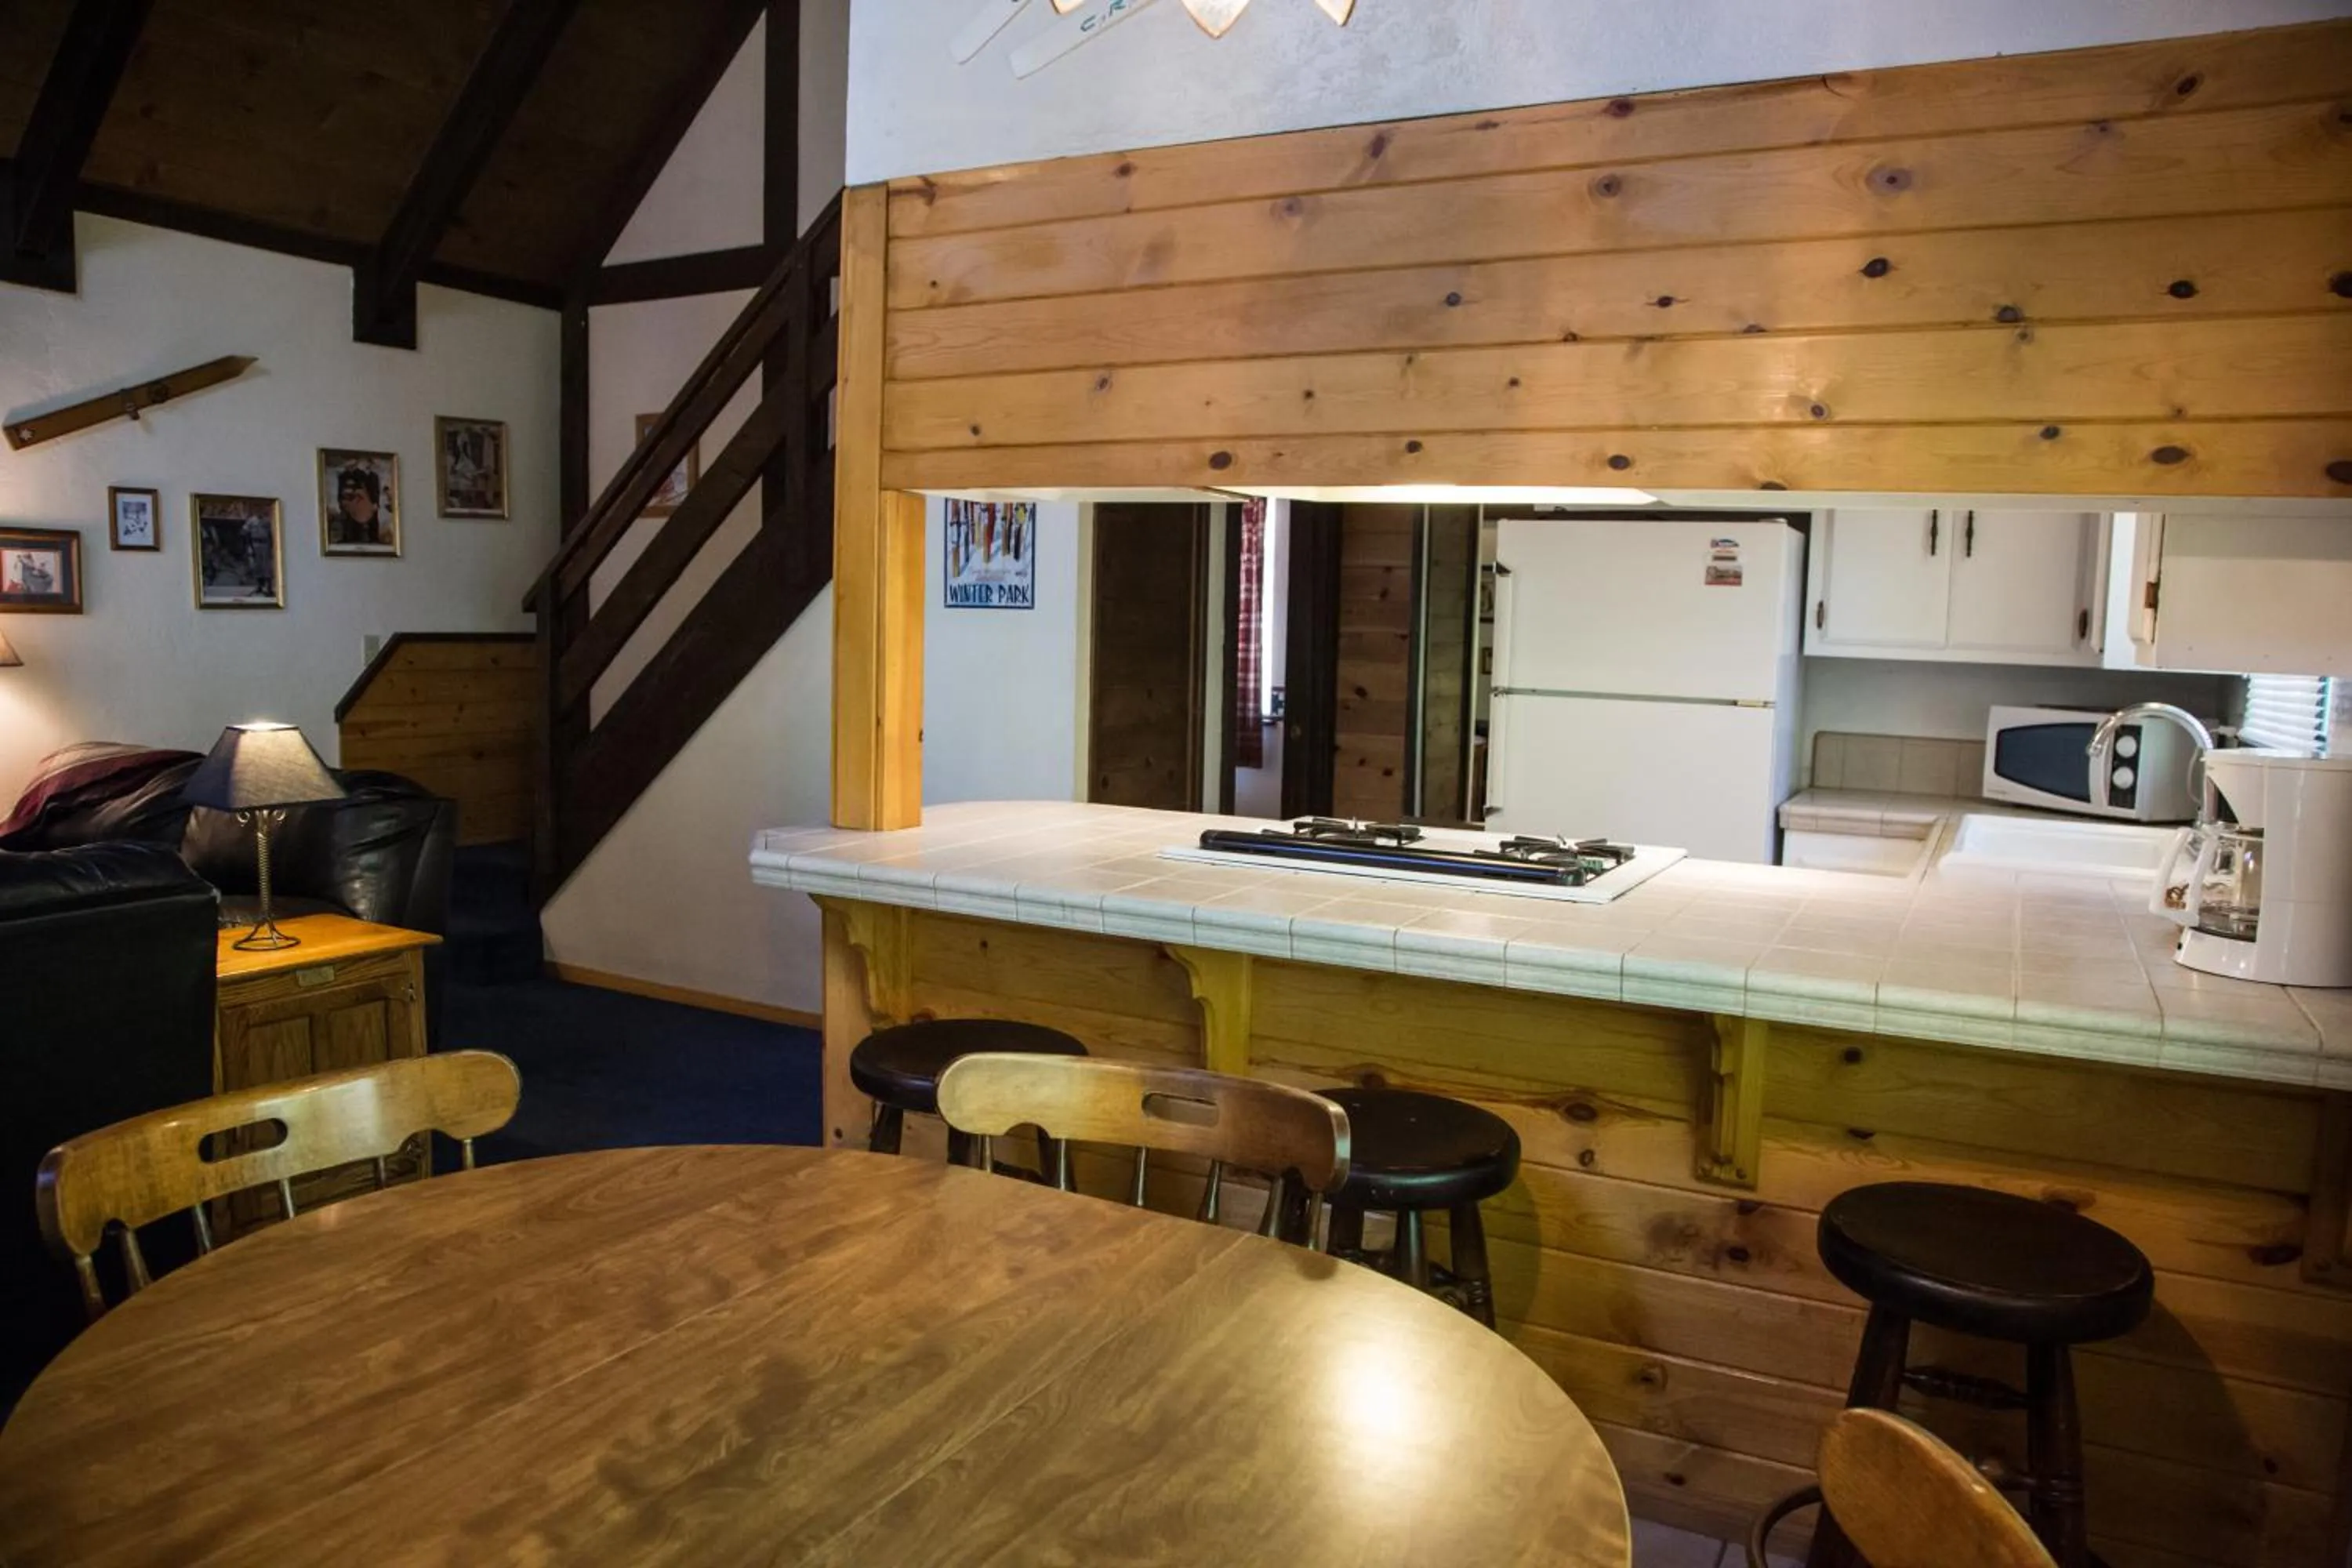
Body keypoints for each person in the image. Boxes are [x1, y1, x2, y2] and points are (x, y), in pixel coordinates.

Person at [328, 464, 390, 549]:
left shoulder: (372, 477)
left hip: (367, 507)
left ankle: (371, 538)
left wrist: (375, 502)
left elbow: (374, 491)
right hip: (354, 508)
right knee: (350, 524)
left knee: (370, 524)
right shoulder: (345, 477)